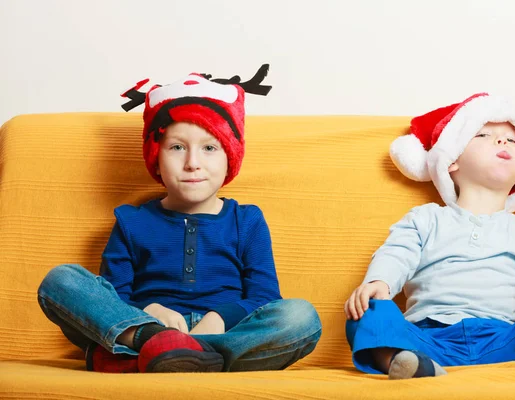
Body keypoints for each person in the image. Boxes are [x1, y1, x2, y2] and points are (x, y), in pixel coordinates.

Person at [38, 64, 321, 373]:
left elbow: (265, 298)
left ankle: (171, 356)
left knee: (301, 317)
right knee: (60, 280)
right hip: (145, 324)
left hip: (225, 331)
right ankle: (154, 343)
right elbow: (115, 296)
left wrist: (220, 318)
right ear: (156, 160)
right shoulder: (132, 221)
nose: (192, 163)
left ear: (230, 161)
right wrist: (149, 312)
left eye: (209, 148)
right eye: (177, 148)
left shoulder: (247, 220)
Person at [344, 93, 515, 379]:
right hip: (430, 340)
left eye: (512, 140)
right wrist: (379, 282)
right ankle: (402, 361)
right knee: (366, 310)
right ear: (451, 161)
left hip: (508, 340)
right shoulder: (425, 218)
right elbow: (397, 253)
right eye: (483, 135)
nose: (502, 141)